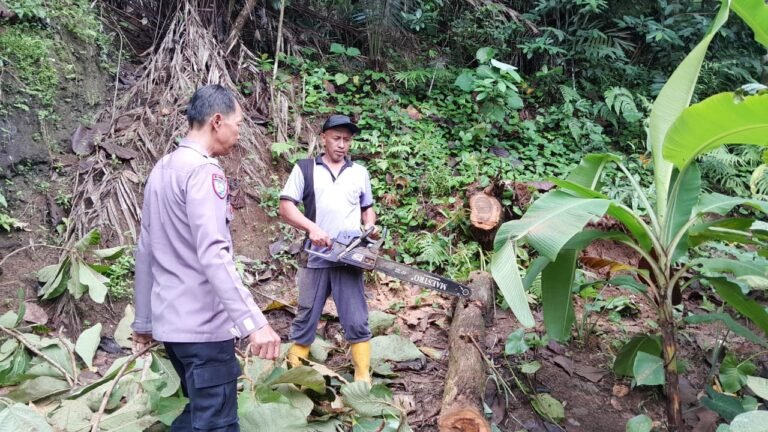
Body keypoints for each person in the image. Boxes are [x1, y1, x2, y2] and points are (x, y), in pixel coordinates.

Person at [131, 84, 281, 431]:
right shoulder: (204, 171)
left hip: (174, 331)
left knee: (201, 415)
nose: (239, 132)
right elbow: (214, 254)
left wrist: (143, 322)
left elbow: (146, 251)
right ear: (217, 121)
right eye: (238, 124)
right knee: (217, 424)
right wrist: (254, 324)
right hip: (204, 331)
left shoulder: (162, 169)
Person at [278, 114, 377, 383]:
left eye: (347, 139)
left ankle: (362, 376)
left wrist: (369, 226)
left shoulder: (359, 172)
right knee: (306, 316)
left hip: (350, 256)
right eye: (336, 138)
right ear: (324, 138)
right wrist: (312, 228)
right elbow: (286, 207)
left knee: (356, 319)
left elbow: (368, 209)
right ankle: (294, 377)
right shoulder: (305, 169)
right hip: (317, 255)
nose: (342, 144)